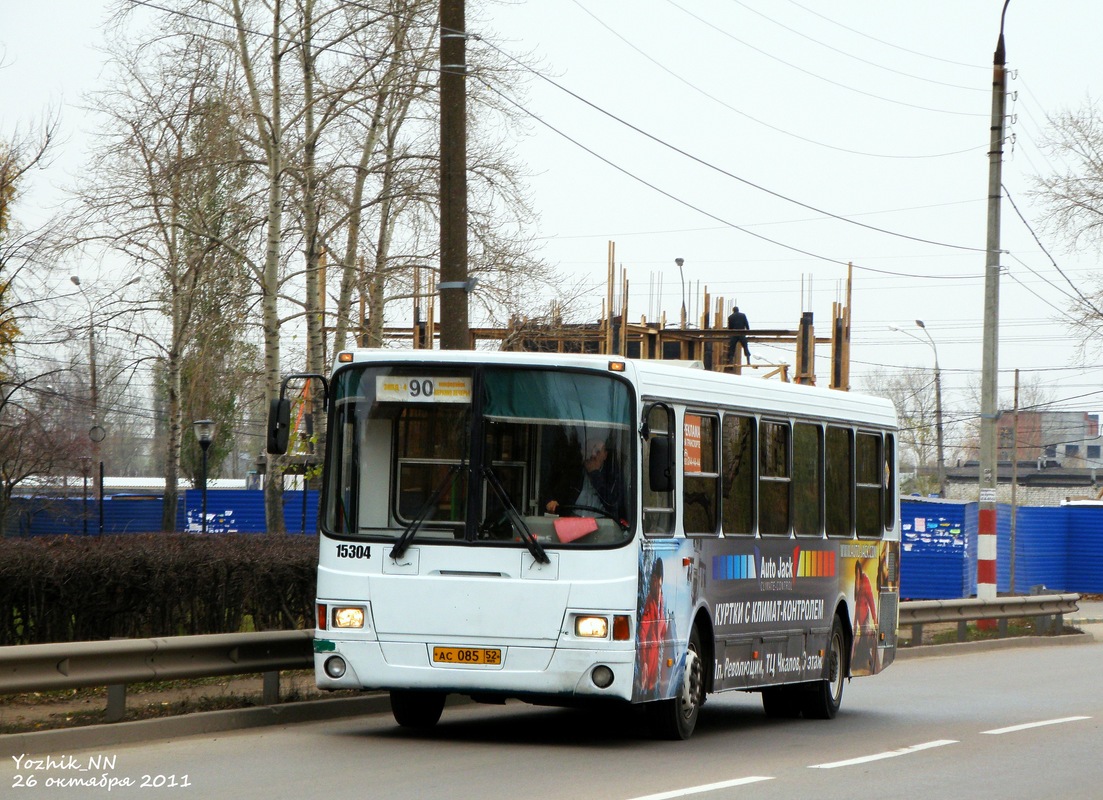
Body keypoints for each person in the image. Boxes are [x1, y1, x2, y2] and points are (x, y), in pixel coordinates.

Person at [544, 435, 622, 517]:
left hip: (603, 523)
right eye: (589, 450)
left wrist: (594, 474)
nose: (593, 455)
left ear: (605, 455)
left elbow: (613, 505)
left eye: (597, 451)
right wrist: (551, 501)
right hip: (572, 521)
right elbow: (553, 493)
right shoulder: (572, 473)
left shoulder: (612, 476)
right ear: (582, 452)